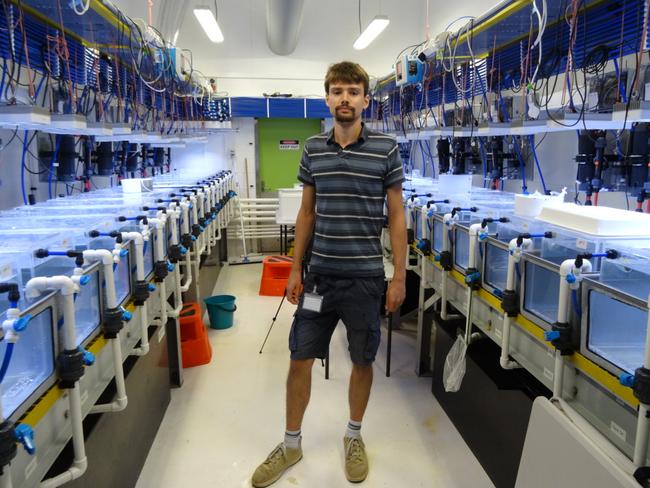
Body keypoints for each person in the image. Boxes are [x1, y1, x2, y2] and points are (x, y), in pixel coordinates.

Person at [252, 61, 407, 487]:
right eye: (337, 91)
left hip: (364, 279)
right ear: (327, 98)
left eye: (353, 91)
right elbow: (306, 212)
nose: (345, 98)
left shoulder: (386, 149)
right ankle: (290, 443)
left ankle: (353, 436)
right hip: (319, 277)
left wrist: (399, 277)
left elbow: (396, 216)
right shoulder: (313, 149)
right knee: (299, 357)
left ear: (365, 100)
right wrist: (294, 269)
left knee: (361, 359)